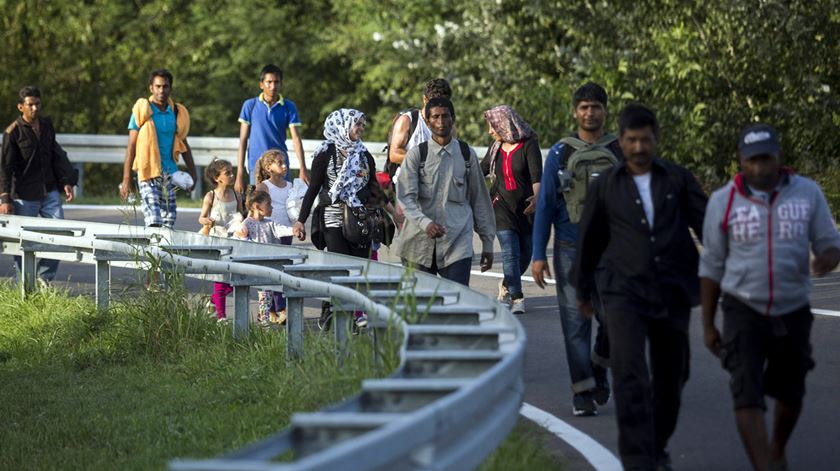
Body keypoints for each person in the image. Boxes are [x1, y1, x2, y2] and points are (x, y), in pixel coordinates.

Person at [573, 103, 707, 470]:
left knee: (673, 375)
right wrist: (583, 290)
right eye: (631, 140)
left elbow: (709, 226)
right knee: (630, 375)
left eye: (644, 140)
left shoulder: (677, 179)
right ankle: (638, 461)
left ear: (655, 139)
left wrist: (730, 269)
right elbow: (589, 241)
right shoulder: (607, 186)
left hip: (671, 292)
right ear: (622, 141)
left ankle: (656, 444)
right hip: (623, 293)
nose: (638, 147)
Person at [699, 124, 840, 471]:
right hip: (742, 307)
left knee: (791, 392)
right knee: (745, 389)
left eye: (766, 158)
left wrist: (828, 257)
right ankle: (764, 465)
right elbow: (711, 267)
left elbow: (829, 241)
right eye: (753, 160)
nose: (761, 167)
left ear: (778, 156)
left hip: (793, 308)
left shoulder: (807, 193)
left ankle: (777, 447)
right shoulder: (723, 201)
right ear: (741, 161)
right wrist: (708, 324)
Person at [531, 82, 621, 416]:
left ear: (604, 110)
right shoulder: (560, 153)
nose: (589, 112)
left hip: (613, 250)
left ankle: (599, 367)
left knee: (613, 318)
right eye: (583, 106)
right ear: (575, 111)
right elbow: (546, 205)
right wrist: (538, 254)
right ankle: (582, 391)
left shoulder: (620, 149)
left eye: (595, 106)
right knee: (575, 323)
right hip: (570, 248)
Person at [292, 109, 386, 330]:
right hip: (332, 218)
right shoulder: (325, 153)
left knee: (358, 270)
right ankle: (339, 314)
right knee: (341, 267)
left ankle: (344, 313)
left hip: (359, 219)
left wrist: (392, 212)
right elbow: (314, 188)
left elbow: (373, 188)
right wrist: (300, 220)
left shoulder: (364, 155)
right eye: (357, 125)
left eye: (363, 125)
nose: (361, 129)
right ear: (344, 126)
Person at [396, 97, 495, 286]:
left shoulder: (467, 154)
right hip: (419, 242)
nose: (441, 122)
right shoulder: (417, 155)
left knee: (457, 302)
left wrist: (488, 243)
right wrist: (425, 223)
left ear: (453, 118)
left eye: (445, 116)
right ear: (427, 121)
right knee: (419, 307)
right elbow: (405, 197)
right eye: (435, 117)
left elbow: (480, 200)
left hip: (456, 243)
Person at [1, 86, 77, 283]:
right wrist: (5, 199)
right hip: (24, 196)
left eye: (37, 104)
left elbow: (55, 156)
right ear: (21, 107)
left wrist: (65, 181)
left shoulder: (46, 125)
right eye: (30, 105)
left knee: (60, 235)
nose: (35, 108)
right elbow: (5, 168)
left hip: (50, 190)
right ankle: (25, 286)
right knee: (24, 244)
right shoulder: (13, 133)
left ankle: (44, 277)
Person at [479, 105, 542, 313]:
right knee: (510, 253)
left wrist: (537, 198)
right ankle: (517, 298)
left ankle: (506, 284)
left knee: (526, 253)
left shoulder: (529, 144)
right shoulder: (495, 147)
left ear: (505, 124)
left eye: (493, 126)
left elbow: (536, 176)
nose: (490, 131)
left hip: (526, 210)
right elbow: (481, 171)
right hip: (501, 207)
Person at [120, 69, 197, 228]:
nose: (162, 90)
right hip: (147, 171)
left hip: (169, 172)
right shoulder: (142, 111)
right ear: (151, 88)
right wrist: (126, 179)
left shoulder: (176, 112)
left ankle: (160, 253)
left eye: (165, 86)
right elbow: (131, 146)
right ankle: (152, 250)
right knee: (153, 219)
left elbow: (184, 145)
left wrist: (194, 175)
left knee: (168, 221)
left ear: (171, 88)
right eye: (158, 86)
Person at [236, 64, 308, 193]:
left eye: (276, 82)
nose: (273, 86)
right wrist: (239, 173)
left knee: (284, 202)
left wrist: (303, 168)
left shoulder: (289, 107)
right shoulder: (250, 105)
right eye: (269, 82)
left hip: (281, 164)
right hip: (257, 165)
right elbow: (242, 141)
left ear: (281, 84)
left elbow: (296, 139)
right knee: (259, 205)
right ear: (261, 84)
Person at [235, 190, 294, 327]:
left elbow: (281, 229)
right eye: (268, 204)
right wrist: (242, 234)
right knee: (265, 293)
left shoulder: (270, 223)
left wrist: (293, 230)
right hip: (257, 265)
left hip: (271, 264)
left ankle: (264, 317)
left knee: (268, 292)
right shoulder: (247, 224)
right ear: (256, 206)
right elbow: (239, 238)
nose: (271, 207)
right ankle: (264, 320)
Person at [198, 159, 244, 321]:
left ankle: (212, 300)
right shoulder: (211, 196)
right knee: (220, 279)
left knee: (233, 282)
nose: (232, 176)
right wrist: (207, 221)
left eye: (232, 172)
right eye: (228, 173)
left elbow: (240, 216)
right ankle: (221, 317)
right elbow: (201, 218)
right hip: (217, 241)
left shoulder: (236, 195)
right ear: (217, 178)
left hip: (234, 241)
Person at [254, 149, 295, 325]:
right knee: (272, 271)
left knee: (282, 269)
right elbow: (255, 209)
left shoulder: (290, 186)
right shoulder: (264, 186)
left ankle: (274, 309)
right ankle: (278, 308)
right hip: (268, 233)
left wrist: (297, 225)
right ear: (269, 167)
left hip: (285, 232)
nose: (284, 165)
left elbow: (294, 208)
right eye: (279, 162)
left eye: (285, 161)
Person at [386, 78, 452, 167]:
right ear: (425, 99)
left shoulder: (449, 125)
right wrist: (424, 160)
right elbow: (394, 155)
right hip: (408, 179)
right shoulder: (407, 120)